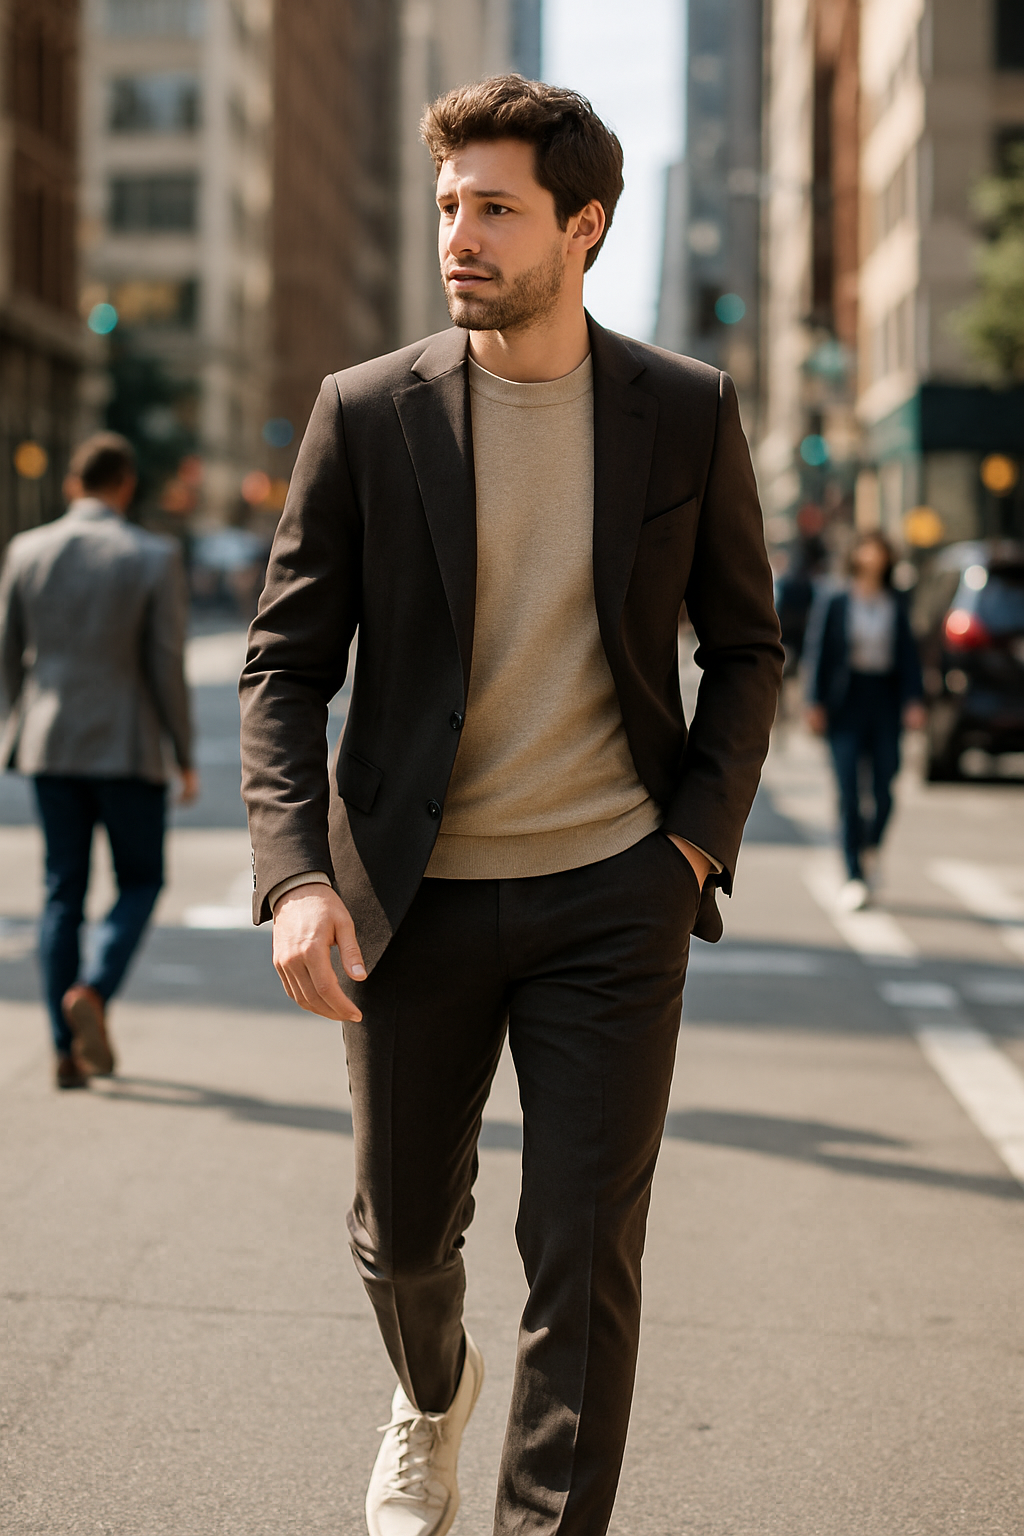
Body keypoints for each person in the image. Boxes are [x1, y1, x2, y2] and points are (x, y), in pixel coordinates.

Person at [239, 76, 783, 1536]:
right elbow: (284, 665)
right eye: (447, 207)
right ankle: (429, 1394)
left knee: (583, 1252)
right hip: (407, 898)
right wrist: (297, 876)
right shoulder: (367, 412)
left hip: (614, 889)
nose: (459, 238)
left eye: (495, 209)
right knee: (402, 1239)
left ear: (583, 227)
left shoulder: (682, 410)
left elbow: (747, 648)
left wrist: (690, 847)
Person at [0, 432, 197, 1089]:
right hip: (127, 746)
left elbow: (7, 652)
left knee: (63, 890)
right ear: (126, 486)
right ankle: (94, 989)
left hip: (49, 743)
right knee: (140, 880)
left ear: (71, 484)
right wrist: (184, 752)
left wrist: (21, 721)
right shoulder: (153, 555)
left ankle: (65, 1050)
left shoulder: (26, 550)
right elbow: (166, 664)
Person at [804, 530, 925, 911]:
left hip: (884, 700)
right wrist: (813, 701)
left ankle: (870, 845)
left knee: (885, 786)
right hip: (846, 701)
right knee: (848, 791)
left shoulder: (897, 600)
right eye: (867, 550)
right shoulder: (836, 598)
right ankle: (853, 873)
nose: (873, 557)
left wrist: (914, 699)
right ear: (855, 555)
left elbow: (909, 655)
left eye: (880, 551)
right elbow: (818, 651)